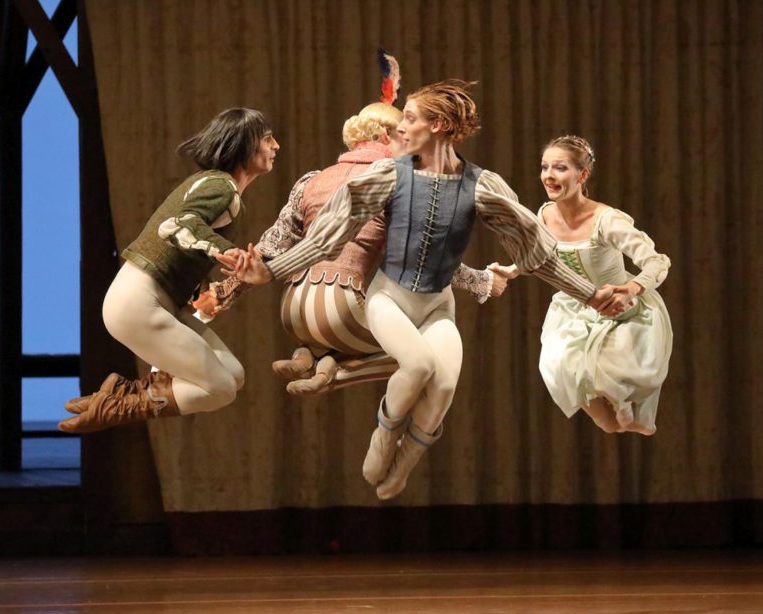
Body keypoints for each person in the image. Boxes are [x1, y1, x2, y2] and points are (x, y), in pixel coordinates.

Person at [217, 81, 604, 500]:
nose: (401, 128)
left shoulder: (481, 184)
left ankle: (404, 462)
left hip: (437, 306)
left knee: (444, 384)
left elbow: (537, 253)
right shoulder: (388, 175)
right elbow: (325, 239)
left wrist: (592, 294)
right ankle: (383, 437)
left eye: (410, 119)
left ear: (437, 126)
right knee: (418, 365)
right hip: (388, 298)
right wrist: (268, 272)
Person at [195, 75, 505, 396]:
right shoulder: (394, 183)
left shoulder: (312, 180)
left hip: (293, 310)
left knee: (362, 332)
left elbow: (269, 248)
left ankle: (310, 357)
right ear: (387, 136)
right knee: (424, 357)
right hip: (340, 306)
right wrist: (483, 282)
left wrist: (222, 293)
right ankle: (332, 376)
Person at [58, 108, 279, 433]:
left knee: (233, 374)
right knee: (219, 388)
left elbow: (186, 247)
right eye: (268, 138)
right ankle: (119, 406)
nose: (276, 146)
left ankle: (125, 395)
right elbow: (176, 225)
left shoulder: (219, 188)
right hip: (139, 303)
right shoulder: (222, 187)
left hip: (156, 301)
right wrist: (223, 250)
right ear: (247, 144)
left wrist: (210, 290)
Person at [491, 135, 672, 434]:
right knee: (557, 365)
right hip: (572, 308)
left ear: (582, 174)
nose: (549, 175)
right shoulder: (545, 215)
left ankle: (627, 406)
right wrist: (512, 270)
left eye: (560, 168)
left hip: (618, 308)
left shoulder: (606, 220)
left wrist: (631, 288)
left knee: (612, 372)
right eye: (545, 167)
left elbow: (657, 261)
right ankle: (614, 418)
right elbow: (539, 256)